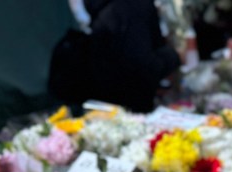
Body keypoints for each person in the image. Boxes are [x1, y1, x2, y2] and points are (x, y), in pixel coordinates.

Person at [49, 0, 181, 113]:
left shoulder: (102, 6)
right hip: (134, 106)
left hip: (105, 101)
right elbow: (143, 64)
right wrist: (174, 56)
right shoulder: (130, 6)